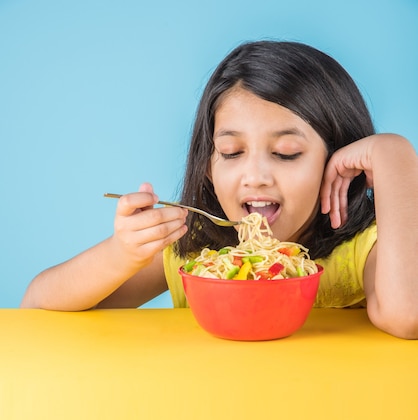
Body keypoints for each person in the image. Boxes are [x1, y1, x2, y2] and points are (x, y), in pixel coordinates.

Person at [21, 40, 418, 339]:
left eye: (286, 153)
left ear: (336, 163)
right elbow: (38, 305)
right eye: (231, 152)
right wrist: (120, 253)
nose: (256, 175)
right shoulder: (192, 255)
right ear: (208, 166)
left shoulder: (367, 252)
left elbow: (407, 314)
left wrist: (394, 156)